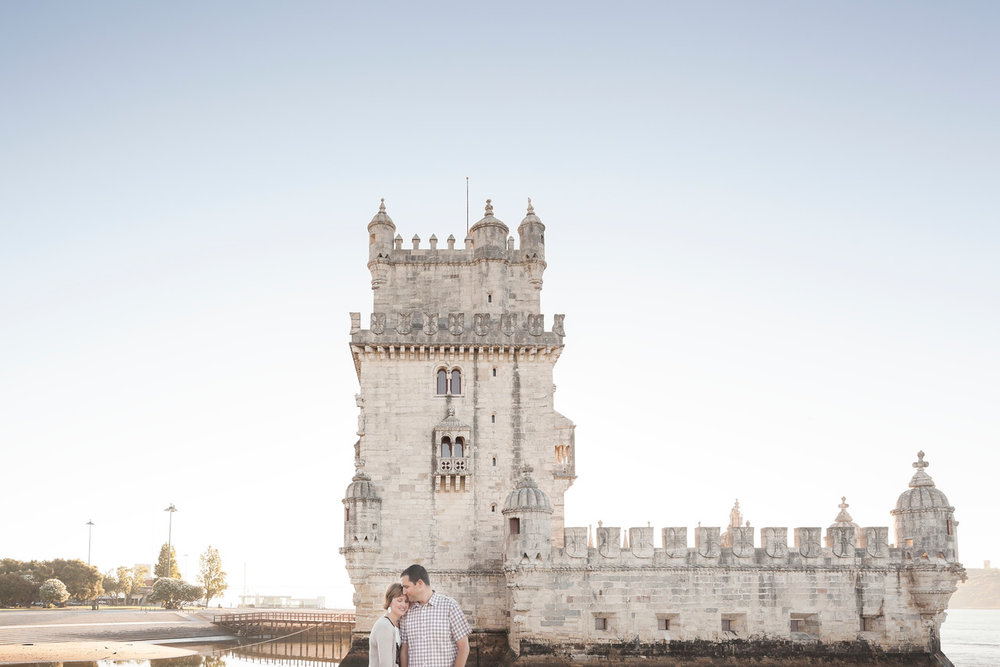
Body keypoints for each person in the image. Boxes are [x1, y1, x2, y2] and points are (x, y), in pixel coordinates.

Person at [398, 564, 471, 667]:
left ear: (419, 583)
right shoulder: (407, 612)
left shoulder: (449, 606)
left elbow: (464, 647)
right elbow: (405, 649)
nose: (404, 592)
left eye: (406, 587)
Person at [370, 582, 409, 667]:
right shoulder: (384, 626)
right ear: (390, 601)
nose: (403, 605)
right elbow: (385, 664)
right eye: (399, 600)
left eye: (406, 601)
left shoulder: (398, 625)